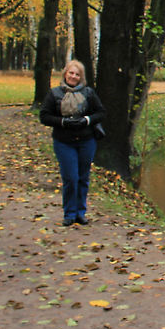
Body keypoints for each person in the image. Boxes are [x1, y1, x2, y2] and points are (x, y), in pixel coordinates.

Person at [39, 60, 106, 226]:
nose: (74, 76)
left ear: (81, 77)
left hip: (86, 141)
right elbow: (44, 116)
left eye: (77, 74)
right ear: (65, 74)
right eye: (71, 73)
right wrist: (63, 122)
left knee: (83, 178)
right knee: (70, 177)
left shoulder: (88, 93)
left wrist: (86, 120)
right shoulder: (54, 94)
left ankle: (80, 213)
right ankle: (69, 213)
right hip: (64, 142)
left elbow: (101, 112)